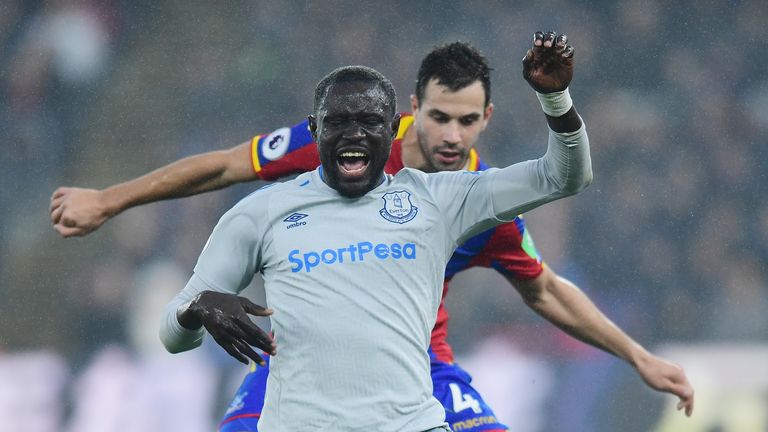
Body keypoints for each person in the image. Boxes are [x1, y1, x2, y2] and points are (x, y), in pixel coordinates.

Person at [51, 35, 694, 431]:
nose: (451, 136)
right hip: (299, 367)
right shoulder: (339, 140)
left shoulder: (466, 199)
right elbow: (221, 167)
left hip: (418, 374)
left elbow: (544, 286)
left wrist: (639, 356)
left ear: (487, 118)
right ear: (412, 110)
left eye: (467, 122)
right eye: (438, 117)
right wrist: (108, 201)